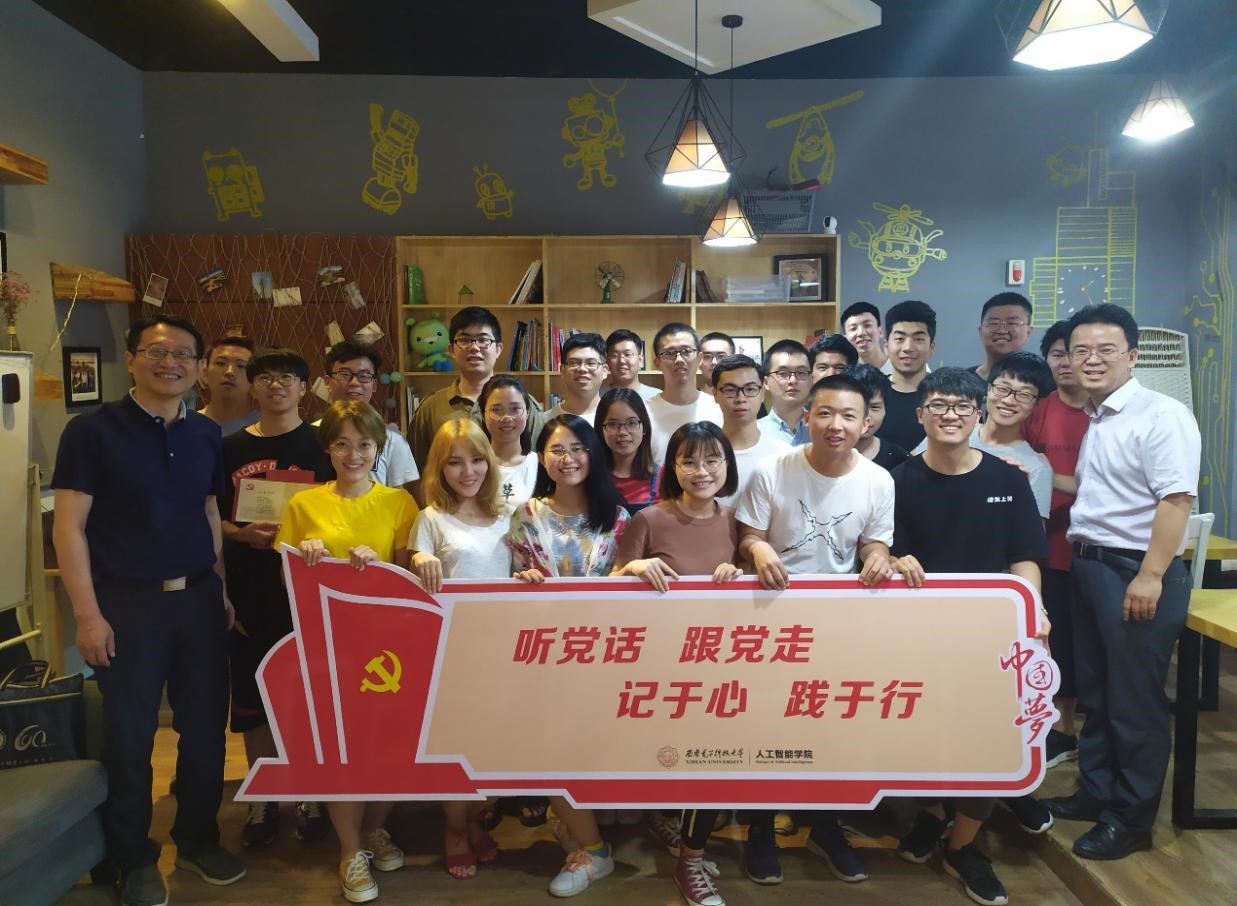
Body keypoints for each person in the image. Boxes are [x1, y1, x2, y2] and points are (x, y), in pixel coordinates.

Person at [52, 314, 246, 906]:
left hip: (198, 600)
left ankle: (197, 837)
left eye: (184, 354)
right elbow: (69, 528)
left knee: (205, 729)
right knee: (130, 735)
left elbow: (208, 511)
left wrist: (220, 587)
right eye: (157, 351)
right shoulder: (91, 431)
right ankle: (132, 856)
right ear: (133, 359)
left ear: (199, 368)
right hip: (125, 604)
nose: (171, 363)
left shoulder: (205, 433)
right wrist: (88, 616)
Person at [1043, 305, 1200, 861]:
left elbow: (1176, 500)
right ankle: (1098, 792)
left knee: (1134, 701)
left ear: (1132, 356)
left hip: (1134, 570)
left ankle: (1131, 820)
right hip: (1091, 566)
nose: (1091, 360)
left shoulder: (1162, 415)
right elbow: (1098, 491)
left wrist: (1151, 575)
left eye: (1105, 350)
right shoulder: (1101, 418)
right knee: (1098, 693)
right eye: (1080, 350)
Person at [890, 367, 1049, 906]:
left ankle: (963, 846)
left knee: (990, 739)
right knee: (925, 734)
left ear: (978, 414)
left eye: (962, 406)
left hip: (992, 636)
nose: (950, 415)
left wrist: (1033, 612)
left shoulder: (1008, 480)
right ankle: (936, 815)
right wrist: (893, 559)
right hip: (919, 636)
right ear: (920, 415)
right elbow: (882, 550)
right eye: (938, 405)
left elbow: (1025, 557)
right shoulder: (898, 481)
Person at [736, 373, 896, 888]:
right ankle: (760, 828)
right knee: (765, 725)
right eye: (824, 413)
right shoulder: (773, 469)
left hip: (837, 621)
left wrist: (878, 557)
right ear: (806, 417)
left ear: (865, 423)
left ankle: (826, 828)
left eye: (849, 415)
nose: (835, 425)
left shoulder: (878, 480)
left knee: (829, 725)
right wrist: (759, 548)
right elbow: (748, 535)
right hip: (769, 617)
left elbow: (873, 542)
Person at [276, 400, 419, 904]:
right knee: (341, 750)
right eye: (342, 443)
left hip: (389, 649)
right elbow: (288, 585)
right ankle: (349, 850)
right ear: (327, 448)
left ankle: (375, 829)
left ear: (379, 449)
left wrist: (378, 565)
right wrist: (309, 560)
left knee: (389, 749)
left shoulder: (400, 504)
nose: (353, 454)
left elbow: (409, 583)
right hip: (328, 648)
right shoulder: (303, 505)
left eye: (364, 444)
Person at [611, 421, 743, 906]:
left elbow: (750, 589)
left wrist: (738, 573)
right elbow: (607, 587)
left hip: (719, 668)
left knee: (711, 764)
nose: (701, 470)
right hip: (658, 667)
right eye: (689, 460)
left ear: (727, 465)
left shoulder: (736, 521)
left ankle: (690, 858)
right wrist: (633, 567)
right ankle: (673, 834)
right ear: (673, 467)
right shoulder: (648, 519)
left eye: (712, 459)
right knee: (672, 760)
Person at [507, 414, 629, 897]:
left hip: (607, 658)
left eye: (578, 448)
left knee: (591, 753)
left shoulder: (619, 518)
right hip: (544, 658)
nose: (568, 459)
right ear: (541, 458)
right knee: (550, 750)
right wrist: (520, 582)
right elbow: (508, 585)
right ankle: (594, 851)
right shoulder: (526, 516)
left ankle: (581, 830)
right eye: (557, 450)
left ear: (594, 455)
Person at [219, 348, 334, 848]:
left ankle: (312, 793)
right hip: (249, 589)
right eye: (264, 377)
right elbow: (211, 517)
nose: (275, 385)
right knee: (253, 699)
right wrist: (240, 534)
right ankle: (263, 795)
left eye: (286, 377)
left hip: (310, 591)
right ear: (253, 386)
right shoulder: (228, 448)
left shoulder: (323, 445)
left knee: (309, 696)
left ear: (304, 388)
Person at [410, 419, 512, 880]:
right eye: (454, 462)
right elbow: (413, 573)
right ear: (439, 467)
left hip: (503, 651)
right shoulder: (430, 518)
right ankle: (455, 828)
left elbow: (525, 568)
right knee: (456, 748)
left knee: (496, 747)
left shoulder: (508, 515)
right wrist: (420, 557)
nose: (467, 471)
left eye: (475, 460)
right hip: (449, 653)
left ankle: (474, 820)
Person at [1021, 320, 1091, 764]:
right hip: (1045, 547)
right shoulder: (1037, 409)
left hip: (1095, 547)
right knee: (1054, 640)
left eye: (1074, 352)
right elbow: (1016, 463)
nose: (1067, 362)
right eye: (1058, 354)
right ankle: (1057, 727)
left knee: (1089, 643)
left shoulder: (1105, 413)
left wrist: (1049, 475)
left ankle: (1079, 729)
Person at [408, 306, 545, 468]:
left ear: (498, 349)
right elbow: (416, 470)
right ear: (451, 350)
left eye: (483, 340)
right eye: (464, 340)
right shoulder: (431, 408)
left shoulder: (523, 405)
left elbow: (540, 465)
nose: (474, 347)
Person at [324, 340, 420, 496]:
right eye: (345, 375)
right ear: (327, 382)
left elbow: (401, 496)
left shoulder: (392, 439)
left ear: (374, 384)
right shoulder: (313, 434)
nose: (354, 383)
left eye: (364, 376)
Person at [711, 354, 788, 504]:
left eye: (750, 389)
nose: (741, 398)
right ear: (715, 394)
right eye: (730, 390)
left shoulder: (783, 455)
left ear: (762, 392)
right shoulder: (701, 454)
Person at [646, 323, 723, 462]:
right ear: (657, 363)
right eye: (669, 353)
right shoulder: (644, 412)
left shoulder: (719, 409)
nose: (679, 360)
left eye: (686, 351)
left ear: (699, 358)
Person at [878, 300, 937, 452]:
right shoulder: (870, 395)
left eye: (918, 339)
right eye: (900, 339)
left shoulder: (945, 397)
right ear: (886, 346)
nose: (908, 348)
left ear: (932, 347)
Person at [595, 387, 661, 513]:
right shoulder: (590, 478)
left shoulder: (664, 478)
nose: (623, 432)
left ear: (644, 428)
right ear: (601, 429)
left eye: (631, 423)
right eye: (613, 424)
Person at [479, 375, 540, 510]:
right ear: (483, 415)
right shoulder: (473, 466)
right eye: (496, 410)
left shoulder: (541, 464)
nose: (506, 418)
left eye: (515, 408)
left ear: (527, 412)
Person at [845, 363, 909, 471]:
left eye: (874, 407)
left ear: (885, 409)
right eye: (855, 406)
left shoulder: (900, 461)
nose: (865, 416)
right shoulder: (821, 453)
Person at [198, 335, 258, 435]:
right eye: (221, 363)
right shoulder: (187, 426)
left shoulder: (268, 427)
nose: (230, 372)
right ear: (204, 373)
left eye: (241, 366)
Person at [758, 339, 813, 446]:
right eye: (783, 373)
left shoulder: (825, 429)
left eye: (801, 372)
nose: (793, 380)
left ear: (811, 380)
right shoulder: (754, 433)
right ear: (766, 383)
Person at [546, 332, 608, 422]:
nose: (582, 369)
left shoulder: (620, 420)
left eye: (591, 363)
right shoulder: (544, 421)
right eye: (573, 363)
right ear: (562, 370)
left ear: (605, 371)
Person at [970, 292, 1034, 380]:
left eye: (1012, 323)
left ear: (1028, 332)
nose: (1002, 331)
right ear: (980, 331)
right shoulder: (962, 383)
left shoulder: (1044, 383)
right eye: (993, 323)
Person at [605, 328, 659, 401]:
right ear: (607, 361)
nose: (621, 361)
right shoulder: (597, 397)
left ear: (641, 360)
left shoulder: (657, 397)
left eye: (628, 354)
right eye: (614, 355)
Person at [841, 301, 888, 370]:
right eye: (853, 328)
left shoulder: (899, 369)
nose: (861, 333)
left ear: (880, 332)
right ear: (845, 339)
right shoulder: (844, 373)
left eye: (867, 325)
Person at [698, 330, 736, 396]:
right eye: (707, 356)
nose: (714, 362)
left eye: (721, 356)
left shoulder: (744, 400)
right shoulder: (686, 401)